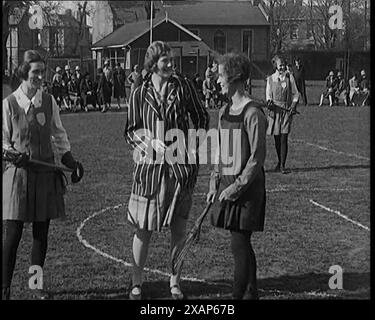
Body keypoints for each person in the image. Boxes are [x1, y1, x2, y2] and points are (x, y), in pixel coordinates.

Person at [124, 41, 209, 300]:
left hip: (180, 171)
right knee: (143, 229)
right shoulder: (139, 92)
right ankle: (137, 282)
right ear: (153, 64)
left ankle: (175, 282)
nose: (171, 64)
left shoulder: (183, 86)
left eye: (172, 59)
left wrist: (190, 146)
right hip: (149, 173)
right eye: (165, 60)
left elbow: (202, 117)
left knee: (179, 230)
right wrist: (148, 141)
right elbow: (129, 131)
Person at [2, 50, 84, 300]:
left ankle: (35, 284)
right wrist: (13, 154)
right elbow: (3, 141)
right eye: (35, 72)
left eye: (42, 71)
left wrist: (69, 159)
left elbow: (58, 134)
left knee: (41, 234)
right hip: (18, 176)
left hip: (45, 173)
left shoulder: (48, 101)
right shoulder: (9, 104)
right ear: (24, 73)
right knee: (12, 236)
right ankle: (4, 289)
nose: (40, 76)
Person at [207, 52, 267, 300]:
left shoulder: (253, 113)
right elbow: (220, 149)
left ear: (234, 77)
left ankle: (237, 297)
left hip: (248, 189)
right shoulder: (223, 111)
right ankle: (252, 294)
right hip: (228, 185)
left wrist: (237, 187)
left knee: (238, 244)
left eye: (220, 75)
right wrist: (214, 181)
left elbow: (257, 158)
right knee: (241, 243)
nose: (217, 80)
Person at [266, 55, 299, 174]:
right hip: (275, 112)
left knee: (284, 138)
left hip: (286, 111)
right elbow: (268, 95)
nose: (282, 67)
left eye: (283, 65)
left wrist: (293, 105)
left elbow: (296, 94)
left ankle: (282, 166)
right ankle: (279, 162)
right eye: (280, 65)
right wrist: (269, 102)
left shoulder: (290, 77)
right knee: (277, 139)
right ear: (275, 66)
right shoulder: (270, 79)